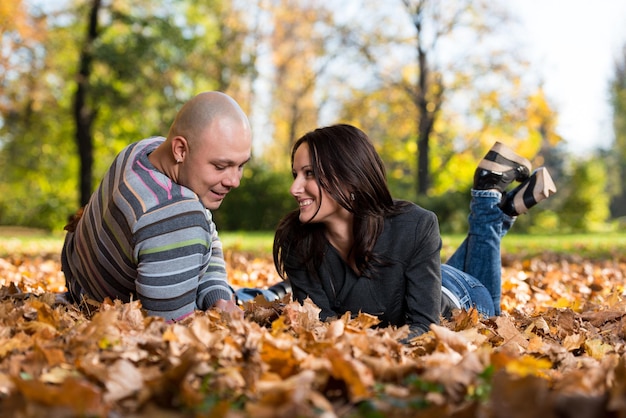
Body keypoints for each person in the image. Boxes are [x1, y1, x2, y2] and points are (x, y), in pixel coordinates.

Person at [265, 124, 556, 340]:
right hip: (423, 275)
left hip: (458, 296)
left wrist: (362, 343)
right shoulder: (296, 240)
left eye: (310, 174)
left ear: (348, 178)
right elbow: (318, 325)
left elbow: (426, 327)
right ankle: (497, 206)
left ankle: (487, 196)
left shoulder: (415, 224)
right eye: (296, 174)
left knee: (491, 313)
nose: (294, 188)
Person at [61, 91, 251, 321]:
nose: (235, 181)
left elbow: (207, 232)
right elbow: (172, 332)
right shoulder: (174, 214)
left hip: (79, 281)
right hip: (106, 315)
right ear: (180, 150)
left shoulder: (142, 150)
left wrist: (218, 297)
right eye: (221, 166)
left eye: (240, 166)